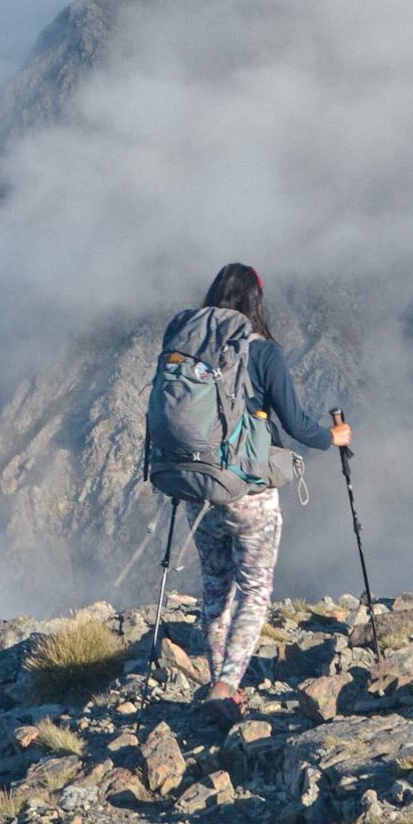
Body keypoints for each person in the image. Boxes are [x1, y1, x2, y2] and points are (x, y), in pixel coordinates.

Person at [159, 262, 350, 723]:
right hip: (249, 494)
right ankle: (227, 686)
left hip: (196, 488)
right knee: (254, 590)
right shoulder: (264, 354)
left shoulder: (181, 342)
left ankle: (215, 677)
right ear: (256, 303)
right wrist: (335, 437)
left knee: (214, 588)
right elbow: (299, 426)